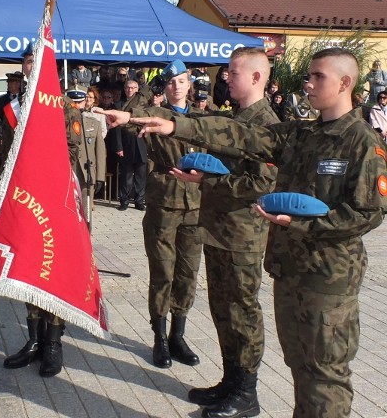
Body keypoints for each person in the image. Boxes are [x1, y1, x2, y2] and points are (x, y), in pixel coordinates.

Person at [112, 47, 387, 418]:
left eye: (317, 76)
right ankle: (237, 384)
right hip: (290, 269)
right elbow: (240, 136)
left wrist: (303, 223)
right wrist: (175, 124)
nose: (308, 83)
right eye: (309, 75)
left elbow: (368, 213)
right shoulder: (302, 133)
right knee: (300, 365)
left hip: (329, 277)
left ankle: (246, 391)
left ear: (345, 83)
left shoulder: (362, 142)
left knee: (324, 374)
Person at [101, 47, 279, 417]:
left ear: (257, 77)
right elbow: (200, 131)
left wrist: (211, 181)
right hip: (216, 228)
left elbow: (263, 180)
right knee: (222, 309)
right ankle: (230, 382)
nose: (224, 78)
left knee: (242, 312)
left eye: (233, 72)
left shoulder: (265, 122)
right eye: (225, 72)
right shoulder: (237, 116)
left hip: (241, 235)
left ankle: (246, 393)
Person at [1, 43, 80, 378]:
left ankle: (53, 344)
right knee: (29, 268)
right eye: (29, 61)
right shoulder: (13, 107)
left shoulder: (63, 106)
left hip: (53, 201)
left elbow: (72, 152)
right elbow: (7, 154)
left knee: (55, 273)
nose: (33, 66)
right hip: (23, 201)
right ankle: (33, 340)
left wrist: (44, 176)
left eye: (39, 61)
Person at [130, 60, 205, 369]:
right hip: (164, 202)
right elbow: (130, 113)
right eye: (170, 81)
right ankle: (159, 339)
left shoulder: (202, 119)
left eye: (181, 81)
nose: (176, 86)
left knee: (188, 273)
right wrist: (147, 87)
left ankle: (178, 336)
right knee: (163, 272)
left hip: (196, 206)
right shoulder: (155, 114)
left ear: (190, 85)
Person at [66, 85, 106, 221]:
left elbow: (100, 151)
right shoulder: (59, 122)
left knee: (85, 214)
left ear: (85, 102)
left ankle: (86, 239)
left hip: (85, 173)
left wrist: (100, 176)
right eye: (73, 102)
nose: (76, 105)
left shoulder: (93, 123)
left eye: (79, 102)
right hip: (67, 171)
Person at [114, 80, 148, 211]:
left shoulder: (144, 106)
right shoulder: (119, 105)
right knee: (126, 174)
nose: (130, 90)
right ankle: (124, 201)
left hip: (141, 143)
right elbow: (116, 128)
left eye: (133, 88)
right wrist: (119, 147)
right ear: (124, 89)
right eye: (128, 88)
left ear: (137, 89)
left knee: (140, 175)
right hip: (126, 144)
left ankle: (139, 201)